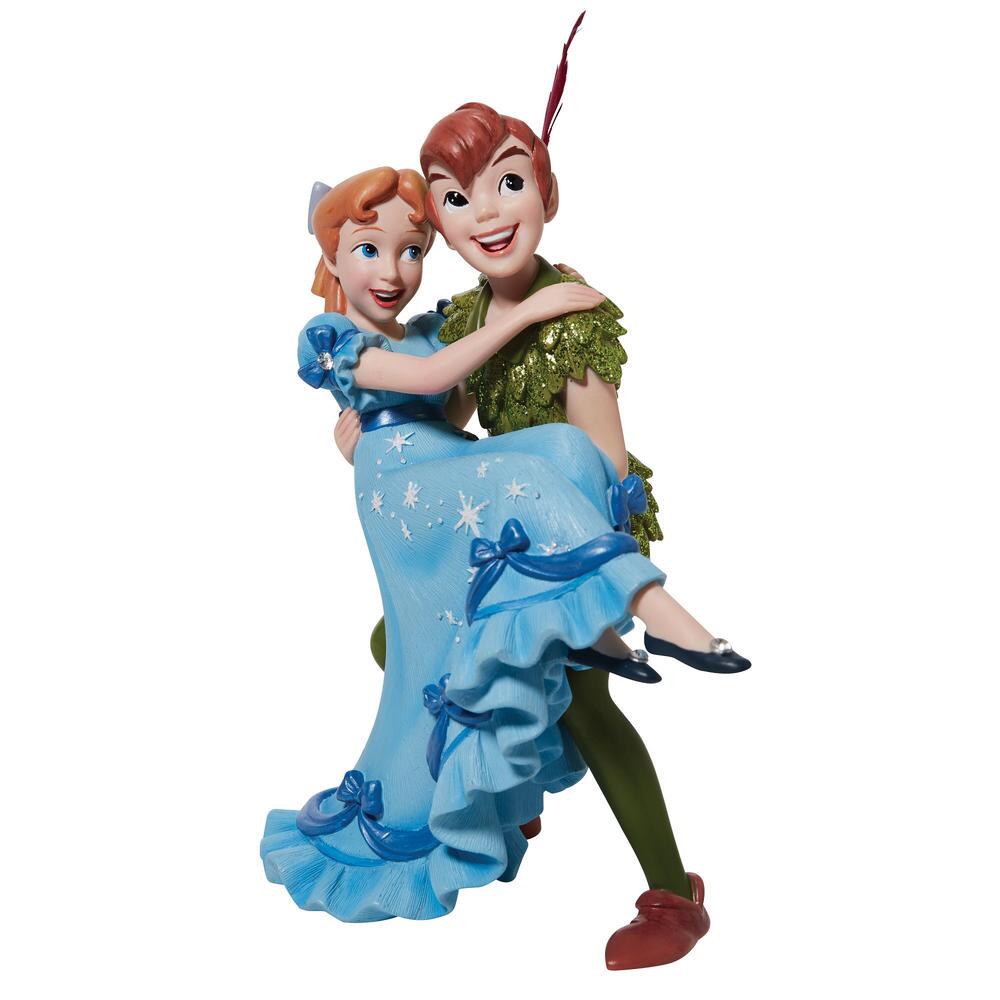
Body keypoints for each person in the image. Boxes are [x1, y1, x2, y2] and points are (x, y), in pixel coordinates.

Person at [260, 166, 742, 957]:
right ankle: (507, 783)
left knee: (554, 465)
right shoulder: (339, 339)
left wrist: (411, 407)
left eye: (411, 251)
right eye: (370, 250)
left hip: (498, 516)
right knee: (417, 650)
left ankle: (650, 873)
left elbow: (451, 410)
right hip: (428, 516)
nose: (393, 271)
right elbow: (430, 385)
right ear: (333, 256)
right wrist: (377, 427)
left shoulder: (443, 326)